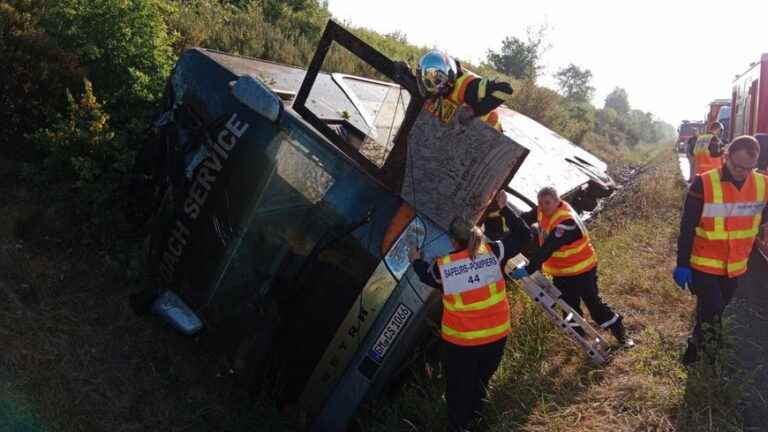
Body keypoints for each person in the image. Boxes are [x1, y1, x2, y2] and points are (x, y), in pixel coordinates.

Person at [409, 216, 528, 432]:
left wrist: (416, 259)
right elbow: (523, 234)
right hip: (496, 336)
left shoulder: (443, 267)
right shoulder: (494, 252)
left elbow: (425, 276)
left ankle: (460, 427)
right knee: (480, 382)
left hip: (463, 342)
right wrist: (503, 209)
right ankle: (476, 419)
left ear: (453, 241)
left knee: (458, 389)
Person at [673, 135, 768, 365]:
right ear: (726, 156)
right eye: (736, 165)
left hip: (736, 265)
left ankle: (695, 344)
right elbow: (687, 227)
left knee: (713, 310)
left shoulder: (762, 184)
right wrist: (682, 263)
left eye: (748, 168)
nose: (741, 172)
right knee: (713, 309)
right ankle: (710, 359)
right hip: (703, 263)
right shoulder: (703, 183)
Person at [508, 187, 634, 347]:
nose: (543, 206)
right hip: (562, 272)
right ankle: (582, 342)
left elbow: (548, 248)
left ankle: (621, 336)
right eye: (540, 203)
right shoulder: (541, 209)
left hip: (582, 270)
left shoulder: (566, 222)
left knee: (594, 304)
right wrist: (504, 211)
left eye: (547, 203)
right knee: (569, 307)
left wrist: (528, 269)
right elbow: (525, 218)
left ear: (557, 201)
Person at [413, 50, 513, 131]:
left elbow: (506, 90)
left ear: (445, 78)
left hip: (490, 137)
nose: (429, 85)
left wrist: (475, 111)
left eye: (434, 80)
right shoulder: (448, 85)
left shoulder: (471, 87)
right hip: (466, 136)